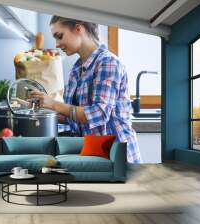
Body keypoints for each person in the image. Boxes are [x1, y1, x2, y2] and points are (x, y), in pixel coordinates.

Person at [29, 16, 142, 163]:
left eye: (59, 36)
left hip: (117, 156)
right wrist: (38, 109)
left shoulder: (108, 63)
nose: (57, 44)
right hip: (95, 155)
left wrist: (54, 104)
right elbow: (74, 117)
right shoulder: (76, 69)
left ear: (78, 28)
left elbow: (99, 114)